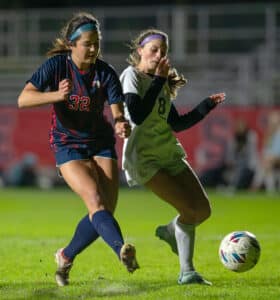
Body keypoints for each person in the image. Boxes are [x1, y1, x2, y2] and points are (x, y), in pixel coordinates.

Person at [18, 12, 139, 287]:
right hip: (67, 144)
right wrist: (56, 96)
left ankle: (65, 255)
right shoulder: (56, 66)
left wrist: (122, 124)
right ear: (71, 44)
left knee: (105, 209)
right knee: (95, 201)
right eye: (88, 43)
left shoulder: (106, 72)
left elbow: (118, 112)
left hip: (100, 142)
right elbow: (24, 99)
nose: (94, 48)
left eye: (97, 43)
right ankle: (121, 249)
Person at [120, 29, 225, 285]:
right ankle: (186, 272)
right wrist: (158, 80)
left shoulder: (161, 83)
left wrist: (205, 106)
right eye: (154, 49)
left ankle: (171, 231)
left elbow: (176, 124)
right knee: (188, 210)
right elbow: (137, 114)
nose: (159, 55)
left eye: (163, 51)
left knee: (202, 210)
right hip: (144, 159)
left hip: (168, 152)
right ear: (140, 51)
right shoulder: (131, 76)